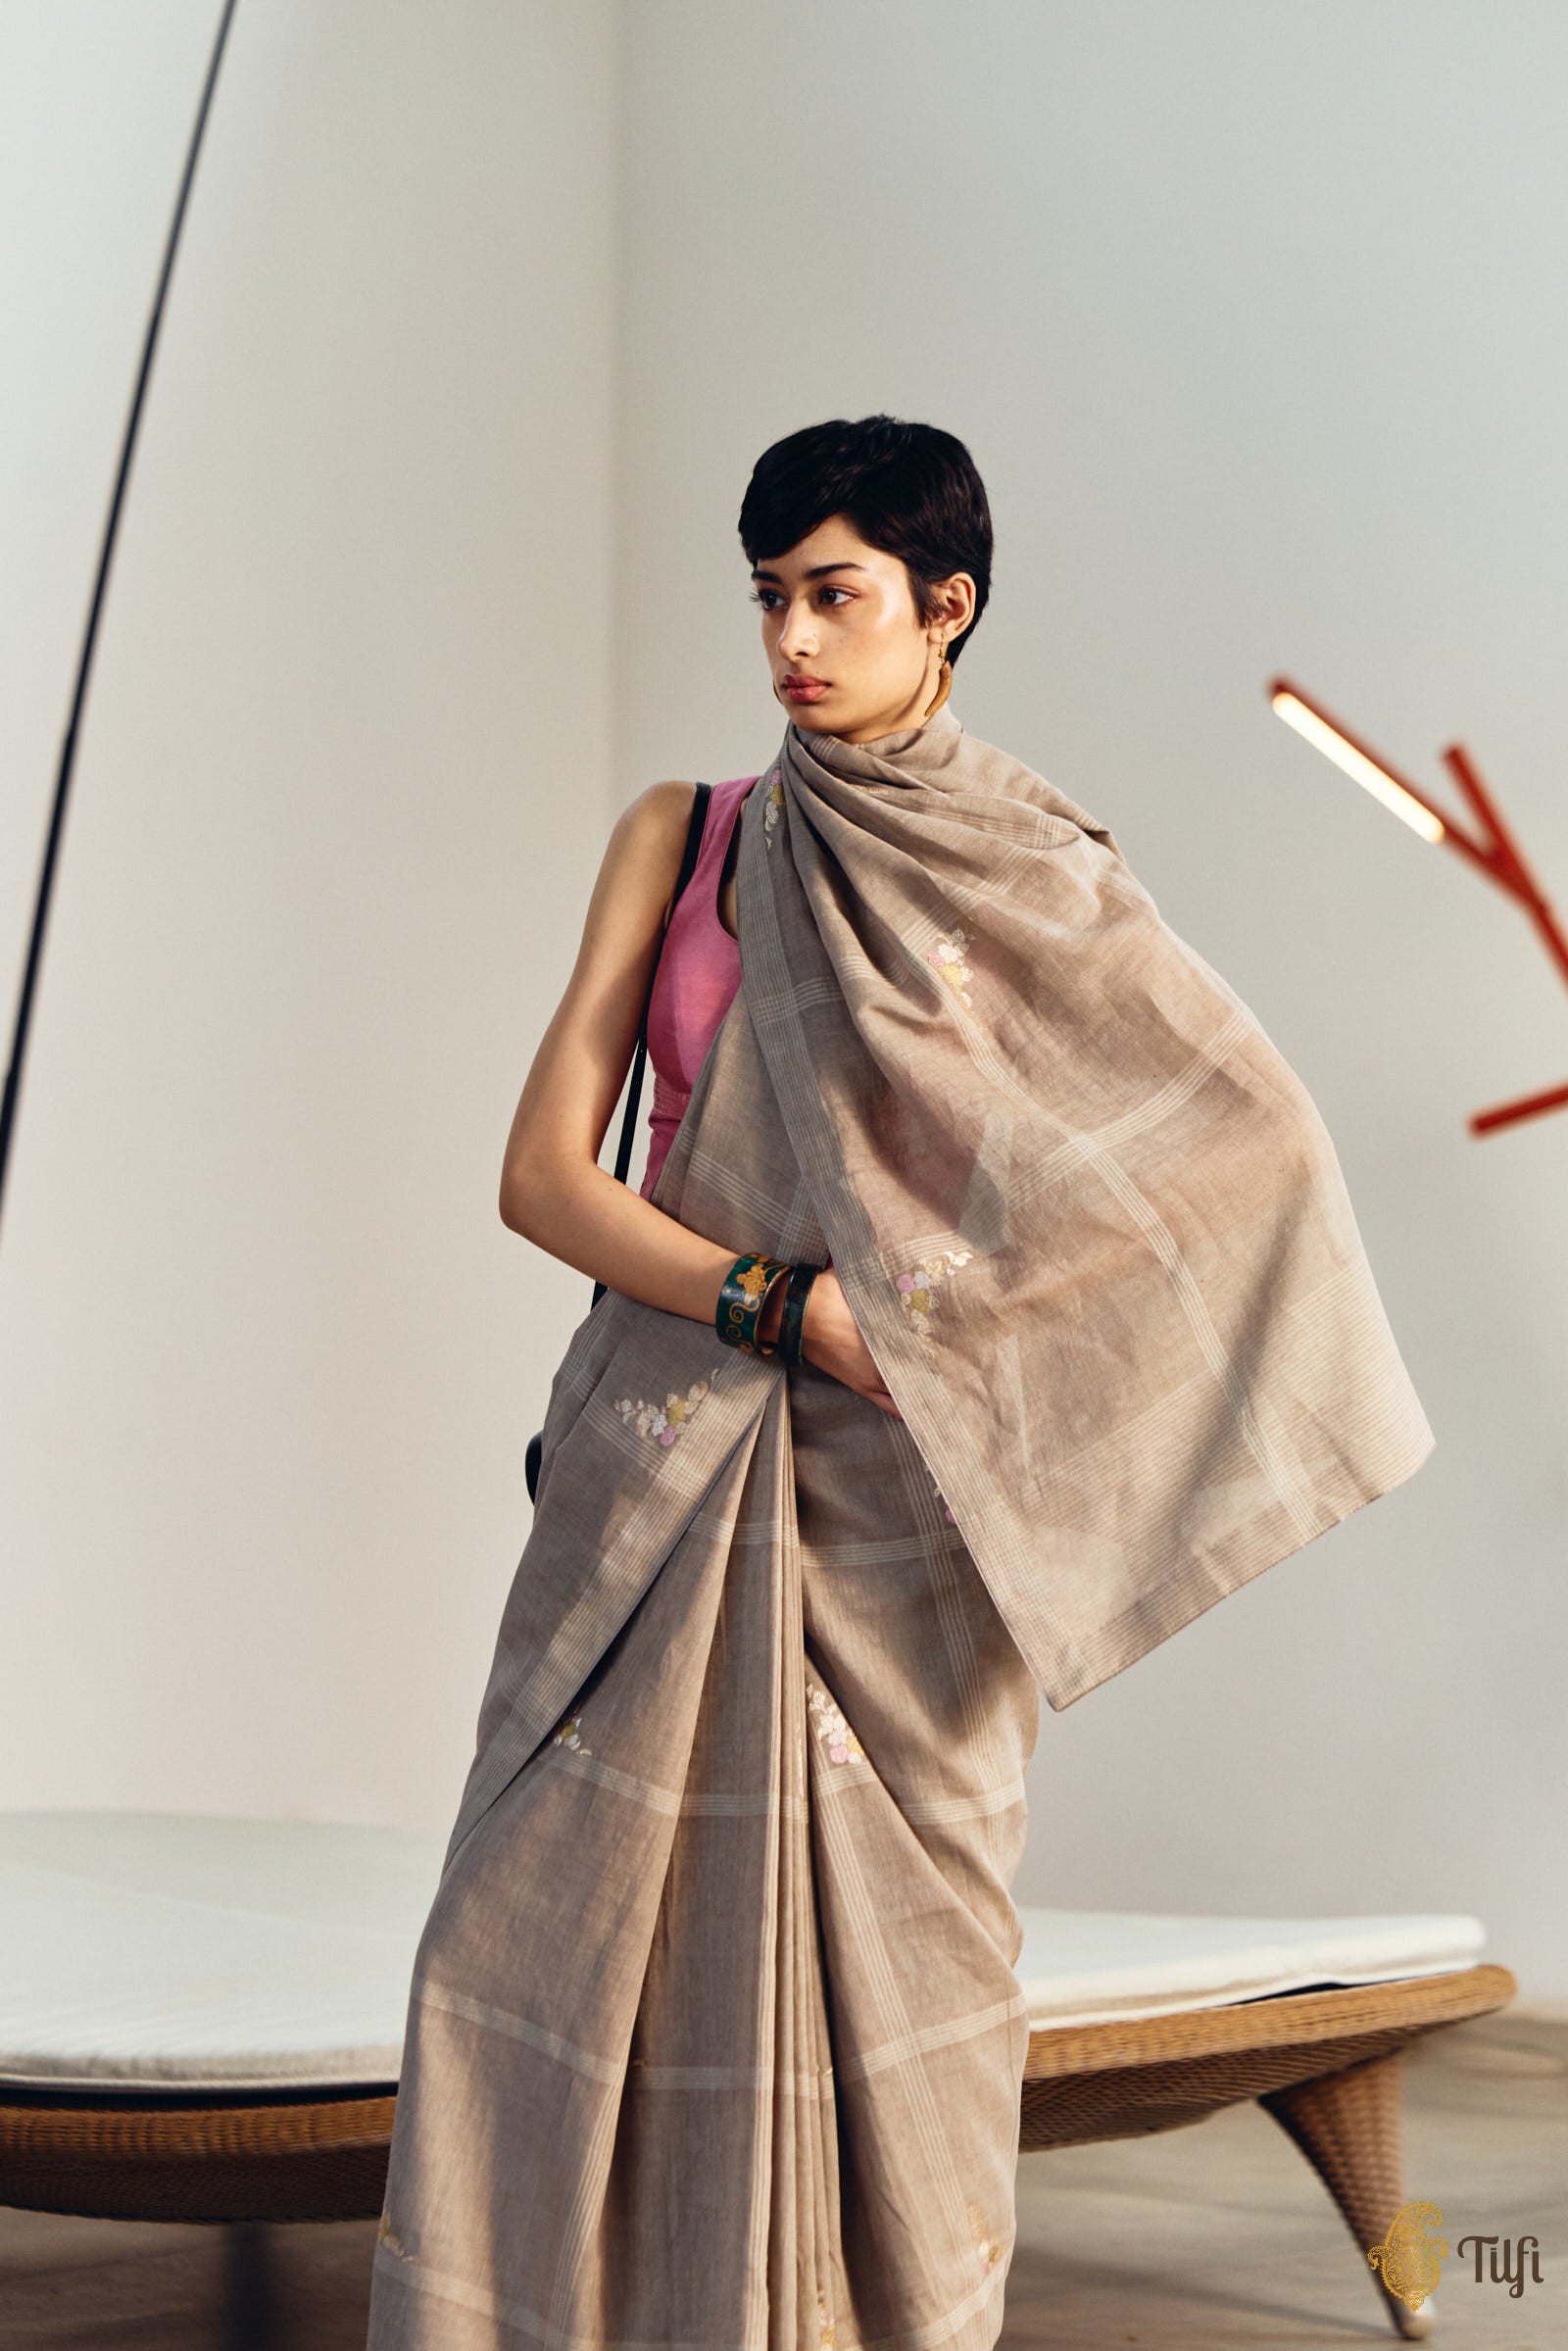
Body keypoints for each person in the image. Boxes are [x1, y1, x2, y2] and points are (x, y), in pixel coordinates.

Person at [367, 417, 1432, 2351]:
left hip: (903, 1532)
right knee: (518, 1960)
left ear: (945, 607)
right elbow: (541, 1180)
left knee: (910, 2023)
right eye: (768, 596)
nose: (791, 638)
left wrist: (975, 1348)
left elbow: (1223, 1155)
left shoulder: (1031, 873)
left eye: (834, 595)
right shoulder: (690, 837)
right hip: (658, 1464)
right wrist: (786, 1306)